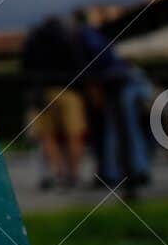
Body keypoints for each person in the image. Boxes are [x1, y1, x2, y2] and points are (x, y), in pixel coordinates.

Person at [72, 11, 149, 200]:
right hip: (121, 81)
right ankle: (136, 170)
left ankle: (117, 173)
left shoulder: (83, 37)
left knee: (117, 130)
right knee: (126, 128)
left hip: (114, 84)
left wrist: (94, 88)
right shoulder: (93, 34)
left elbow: (95, 63)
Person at [21, 16, 87, 188]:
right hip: (69, 91)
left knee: (47, 137)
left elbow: (25, 68)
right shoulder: (69, 38)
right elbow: (80, 66)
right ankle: (74, 175)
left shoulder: (33, 39)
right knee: (74, 136)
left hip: (42, 92)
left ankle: (59, 174)